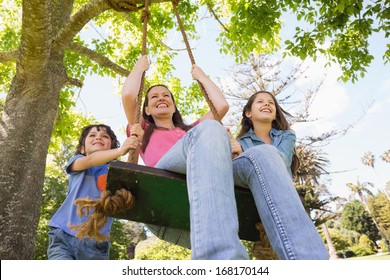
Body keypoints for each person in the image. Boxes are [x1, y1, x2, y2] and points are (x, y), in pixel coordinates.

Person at [122, 55, 249, 260]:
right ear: (146, 109)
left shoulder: (192, 131)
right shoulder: (144, 129)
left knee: (212, 130)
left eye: (166, 95)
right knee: (209, 128)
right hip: (164, 184)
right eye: (154, 97)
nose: (161, 98)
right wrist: (139, 68)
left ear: (173, 106)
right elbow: (129, 95)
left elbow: (221, 106)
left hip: (197, 203)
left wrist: (201, 76)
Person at [229, 90, 329, 260]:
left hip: (282, 199)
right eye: (260, 102)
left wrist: (246, 153)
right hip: (250, 199)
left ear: (275, 114)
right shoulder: (239, 143)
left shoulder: (287, 136)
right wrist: (234, 153)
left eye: (271, 103)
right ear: (248, 113)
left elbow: (280, 162)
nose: (267, 104)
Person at [47, 124, 139, 260]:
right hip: (63, 236)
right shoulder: (77, 162)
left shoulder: (113, 173)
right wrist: (120, 151)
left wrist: (137, 141)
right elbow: (90, 160)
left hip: (95, 242)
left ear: (111, 148)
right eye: (92, 135)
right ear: (83, 149)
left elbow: (132, 173)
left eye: (105, 136)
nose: (98, 138)